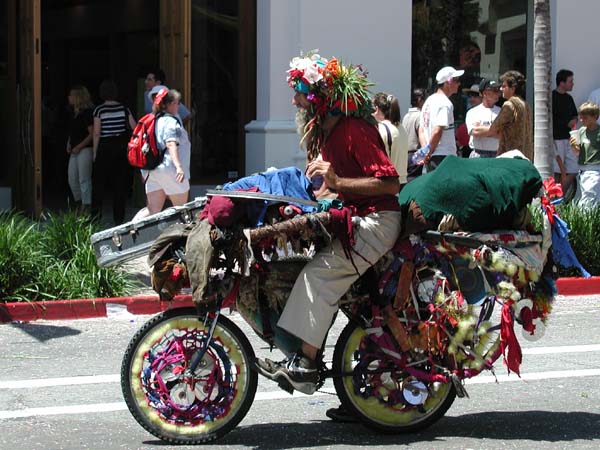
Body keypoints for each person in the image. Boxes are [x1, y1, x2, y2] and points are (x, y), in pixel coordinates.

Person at [255, 53, 402, 400]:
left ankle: (305, 368)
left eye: (300, 93)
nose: (294, 100)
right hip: (355, 220)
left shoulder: (354, 130)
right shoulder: (327, 133)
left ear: (319, 99)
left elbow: (390, 184)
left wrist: (337, 181)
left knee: (317, 278)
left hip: (377, 222)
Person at [132, 88, 191, 221]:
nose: (178, 106)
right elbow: (171, 143)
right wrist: (178, 167)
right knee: (182, 209)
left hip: (152, 170)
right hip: (170, 169)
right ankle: (182, 240)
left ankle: (130, 233)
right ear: (169, 104)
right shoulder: (171, 121)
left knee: (152, 209)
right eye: (177, 103)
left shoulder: (151, 120)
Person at [92, 79, 137, 224]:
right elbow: (134, 126)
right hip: (121, 147)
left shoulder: (99, 110)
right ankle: (119, 219)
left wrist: (95, 152)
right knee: (120, 184)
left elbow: (97, 133)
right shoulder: (124, 108)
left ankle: (95, 218)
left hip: (105, 147)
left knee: (99, 184)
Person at [419, 66, 464, 171]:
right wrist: (429, 152)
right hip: (443, 158)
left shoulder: (429, 101)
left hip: (433, 157)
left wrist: (425, 151)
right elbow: (437, 130)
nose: (459, 84)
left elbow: (421, 129)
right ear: (448, 82)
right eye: (456, 80)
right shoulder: (445, 103)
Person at [487, 70, 533, 161]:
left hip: (510, 157)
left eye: (504, 86)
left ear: (513, 88)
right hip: (525, 157)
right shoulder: (526, 105)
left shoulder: (509, 104)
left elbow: (493, 129)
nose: (501, 89)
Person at [66, 85, 94, 213]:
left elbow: (92, 133)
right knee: (72, 178)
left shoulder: (87, 113)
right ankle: (79, 202)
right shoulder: (74, 113)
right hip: (75, 149)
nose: (69, 97)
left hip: (84, 149)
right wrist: (69, 143)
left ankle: (86, 206)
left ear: (78, 97)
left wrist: (79, 146)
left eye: (71, 95)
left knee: (84, 178)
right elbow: (73, 132)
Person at [372, 92, 409, 185]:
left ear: (376, 109)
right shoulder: (401, 127)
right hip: (402, 181)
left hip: (387, 183)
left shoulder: (380, 128)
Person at [552, 69, 579, 193]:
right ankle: (555, 199)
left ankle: (559, 196)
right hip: (556, 139)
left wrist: (574, 120)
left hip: (570, 138)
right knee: (557, 171)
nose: (572, 84)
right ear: (562, 83)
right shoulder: (552, 97)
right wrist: (565, 123)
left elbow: (575, 114)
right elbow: (551, 119)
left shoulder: (569, 98)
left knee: (573, 169)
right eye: (570, 81)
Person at [570, 102, 600, 208]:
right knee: (587, 200)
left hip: (595, 170)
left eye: (585, 118)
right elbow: (578, 152)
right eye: (581, 117)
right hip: (582, 170)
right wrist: (574, 146)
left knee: (589, 201)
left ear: (595, 117)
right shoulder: (582, 131)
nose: (581, 120)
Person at [465, 79, 501, 158]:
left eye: (498, 90)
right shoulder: (473, 112)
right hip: (478, 154)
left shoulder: (501, 111)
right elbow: (475, 131)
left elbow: (504, 133)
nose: (498, 93)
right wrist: (496, 131)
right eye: (494, 90)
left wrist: (483, 130)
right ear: (485, 93)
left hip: (497, 155)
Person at [402, 88, 427, 180]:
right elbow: (422, 134)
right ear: (420, 100)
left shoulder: (406, 116)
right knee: (414, 181)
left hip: (405, 154)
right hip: (416, 154)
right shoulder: (420, 116)